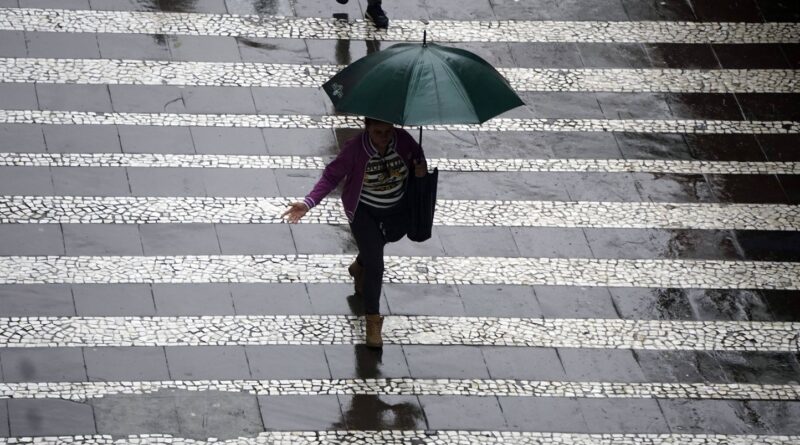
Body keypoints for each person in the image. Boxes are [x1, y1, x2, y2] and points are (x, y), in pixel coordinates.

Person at [283, 118, 427, 348]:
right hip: (364, 213)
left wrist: (421, 172)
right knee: (376, 266)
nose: (384, 137)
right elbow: (331, 176)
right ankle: (372, 321)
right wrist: (308, 203)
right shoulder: (355, 149)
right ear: (367, 128)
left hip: (397, 211)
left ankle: (360, 264)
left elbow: (418, 163)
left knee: (382, 245)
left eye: (388, 131)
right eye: (378, 132)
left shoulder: (404, 142)